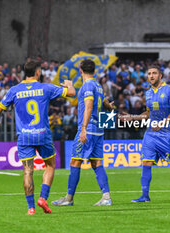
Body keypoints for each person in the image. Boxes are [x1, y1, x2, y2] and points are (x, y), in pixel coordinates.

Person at [0, 60, 75, 215]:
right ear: (37, 72)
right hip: (43, 134)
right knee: (49, 165)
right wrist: (69, 84)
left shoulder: (14, 90)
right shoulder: (45, 87)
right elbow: (71, 93)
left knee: (28, 171)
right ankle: (43, 198)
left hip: (24, 137)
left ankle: (31, 208)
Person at [120, 65, 170, 203]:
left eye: (154, 73)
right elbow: (148, 113)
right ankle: (145, 196)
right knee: (146, 162)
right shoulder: (148, 93)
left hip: (167, 134)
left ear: (160, 76)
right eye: (149, 73)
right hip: (151, 134)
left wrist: (163, 123)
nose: (151, 76)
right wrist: (132, 117)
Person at [52, 59, 114, 207]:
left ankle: (69, 198)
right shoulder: (98, 85)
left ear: (80, 71)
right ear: (94, 71)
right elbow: (104, 102)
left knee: (75, 161)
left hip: (89, 128)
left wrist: (84, 129)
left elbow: (89, 105)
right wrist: (109, 106)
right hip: (99, 128)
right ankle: (106, 197)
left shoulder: (87, 86)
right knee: (96, 162)